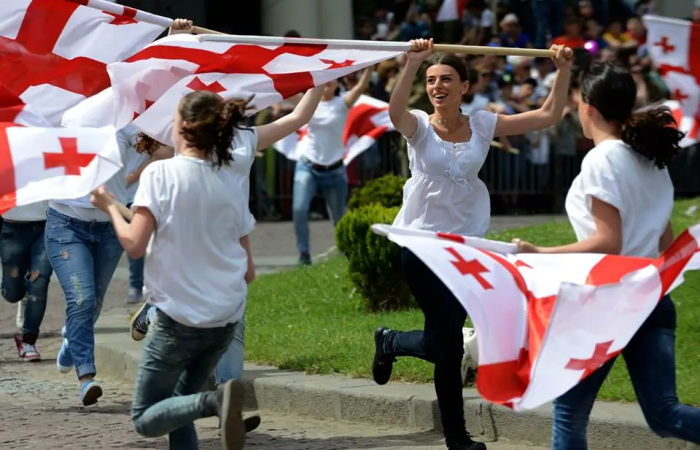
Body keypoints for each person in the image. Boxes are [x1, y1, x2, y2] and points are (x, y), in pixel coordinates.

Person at [89, 85, 324, 450]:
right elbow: (248, 271)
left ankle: (214, 401)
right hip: (224, 318)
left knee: (145, 416)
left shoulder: (160, 174)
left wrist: (107, 205)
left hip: (180, 317)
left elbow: (134, 246)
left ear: (182, 125)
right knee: (181, 402)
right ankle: (212, 398)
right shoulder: (232, 183)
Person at [370, 38, 572, 450]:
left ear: (464, 86)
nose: (437, 86)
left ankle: (390, 341)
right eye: (430, 81)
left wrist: (563, 68)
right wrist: (411, 63)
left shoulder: (482, 123)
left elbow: (549, 115)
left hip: (465, 249)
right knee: (446, 344)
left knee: (440, 341)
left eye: (446, 79)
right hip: (421, 246)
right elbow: (394, 113)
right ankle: (458, 438)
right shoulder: (419, 128)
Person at [512, 61, 700, 449]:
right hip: (650, 297)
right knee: (664, 414)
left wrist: (538, 252)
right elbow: (663, 239)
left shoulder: (601, 159)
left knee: (569, 416)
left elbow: (608, 242)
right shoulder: (650, 157)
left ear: (587, 107)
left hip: (606, 304)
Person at [46, 123, 132, 405]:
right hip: (66, 224)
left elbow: (164, 147)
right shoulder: (67, 114)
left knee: (93, 303)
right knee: (82, 299)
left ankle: (72, 339)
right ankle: (87, 377)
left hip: (110, 227)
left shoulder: (131, 117)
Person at [292, 66, 373, 266]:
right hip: (308, 166)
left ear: (338, 83)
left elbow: (362, 85)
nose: (328, 80)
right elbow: (286, 92)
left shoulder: (343, 102)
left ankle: (346, 253)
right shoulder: (308, 102)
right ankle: (304, 255)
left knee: (339, 217)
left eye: (332, 78)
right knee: (299, 209)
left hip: (335, 170)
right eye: (324, 77)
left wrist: (370, 64)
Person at [1, 201, 52, 361]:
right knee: (12, 293)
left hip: (48, 225)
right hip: (12, 225)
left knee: (39, 282)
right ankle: (21, 296)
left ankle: (28, 341)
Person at [122, 124, 150, 305]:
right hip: (111, 193)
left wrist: (133, 177)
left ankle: (136, 286)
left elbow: (157, 155)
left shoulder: (144, 125)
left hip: (136, 193)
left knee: (135, 241)